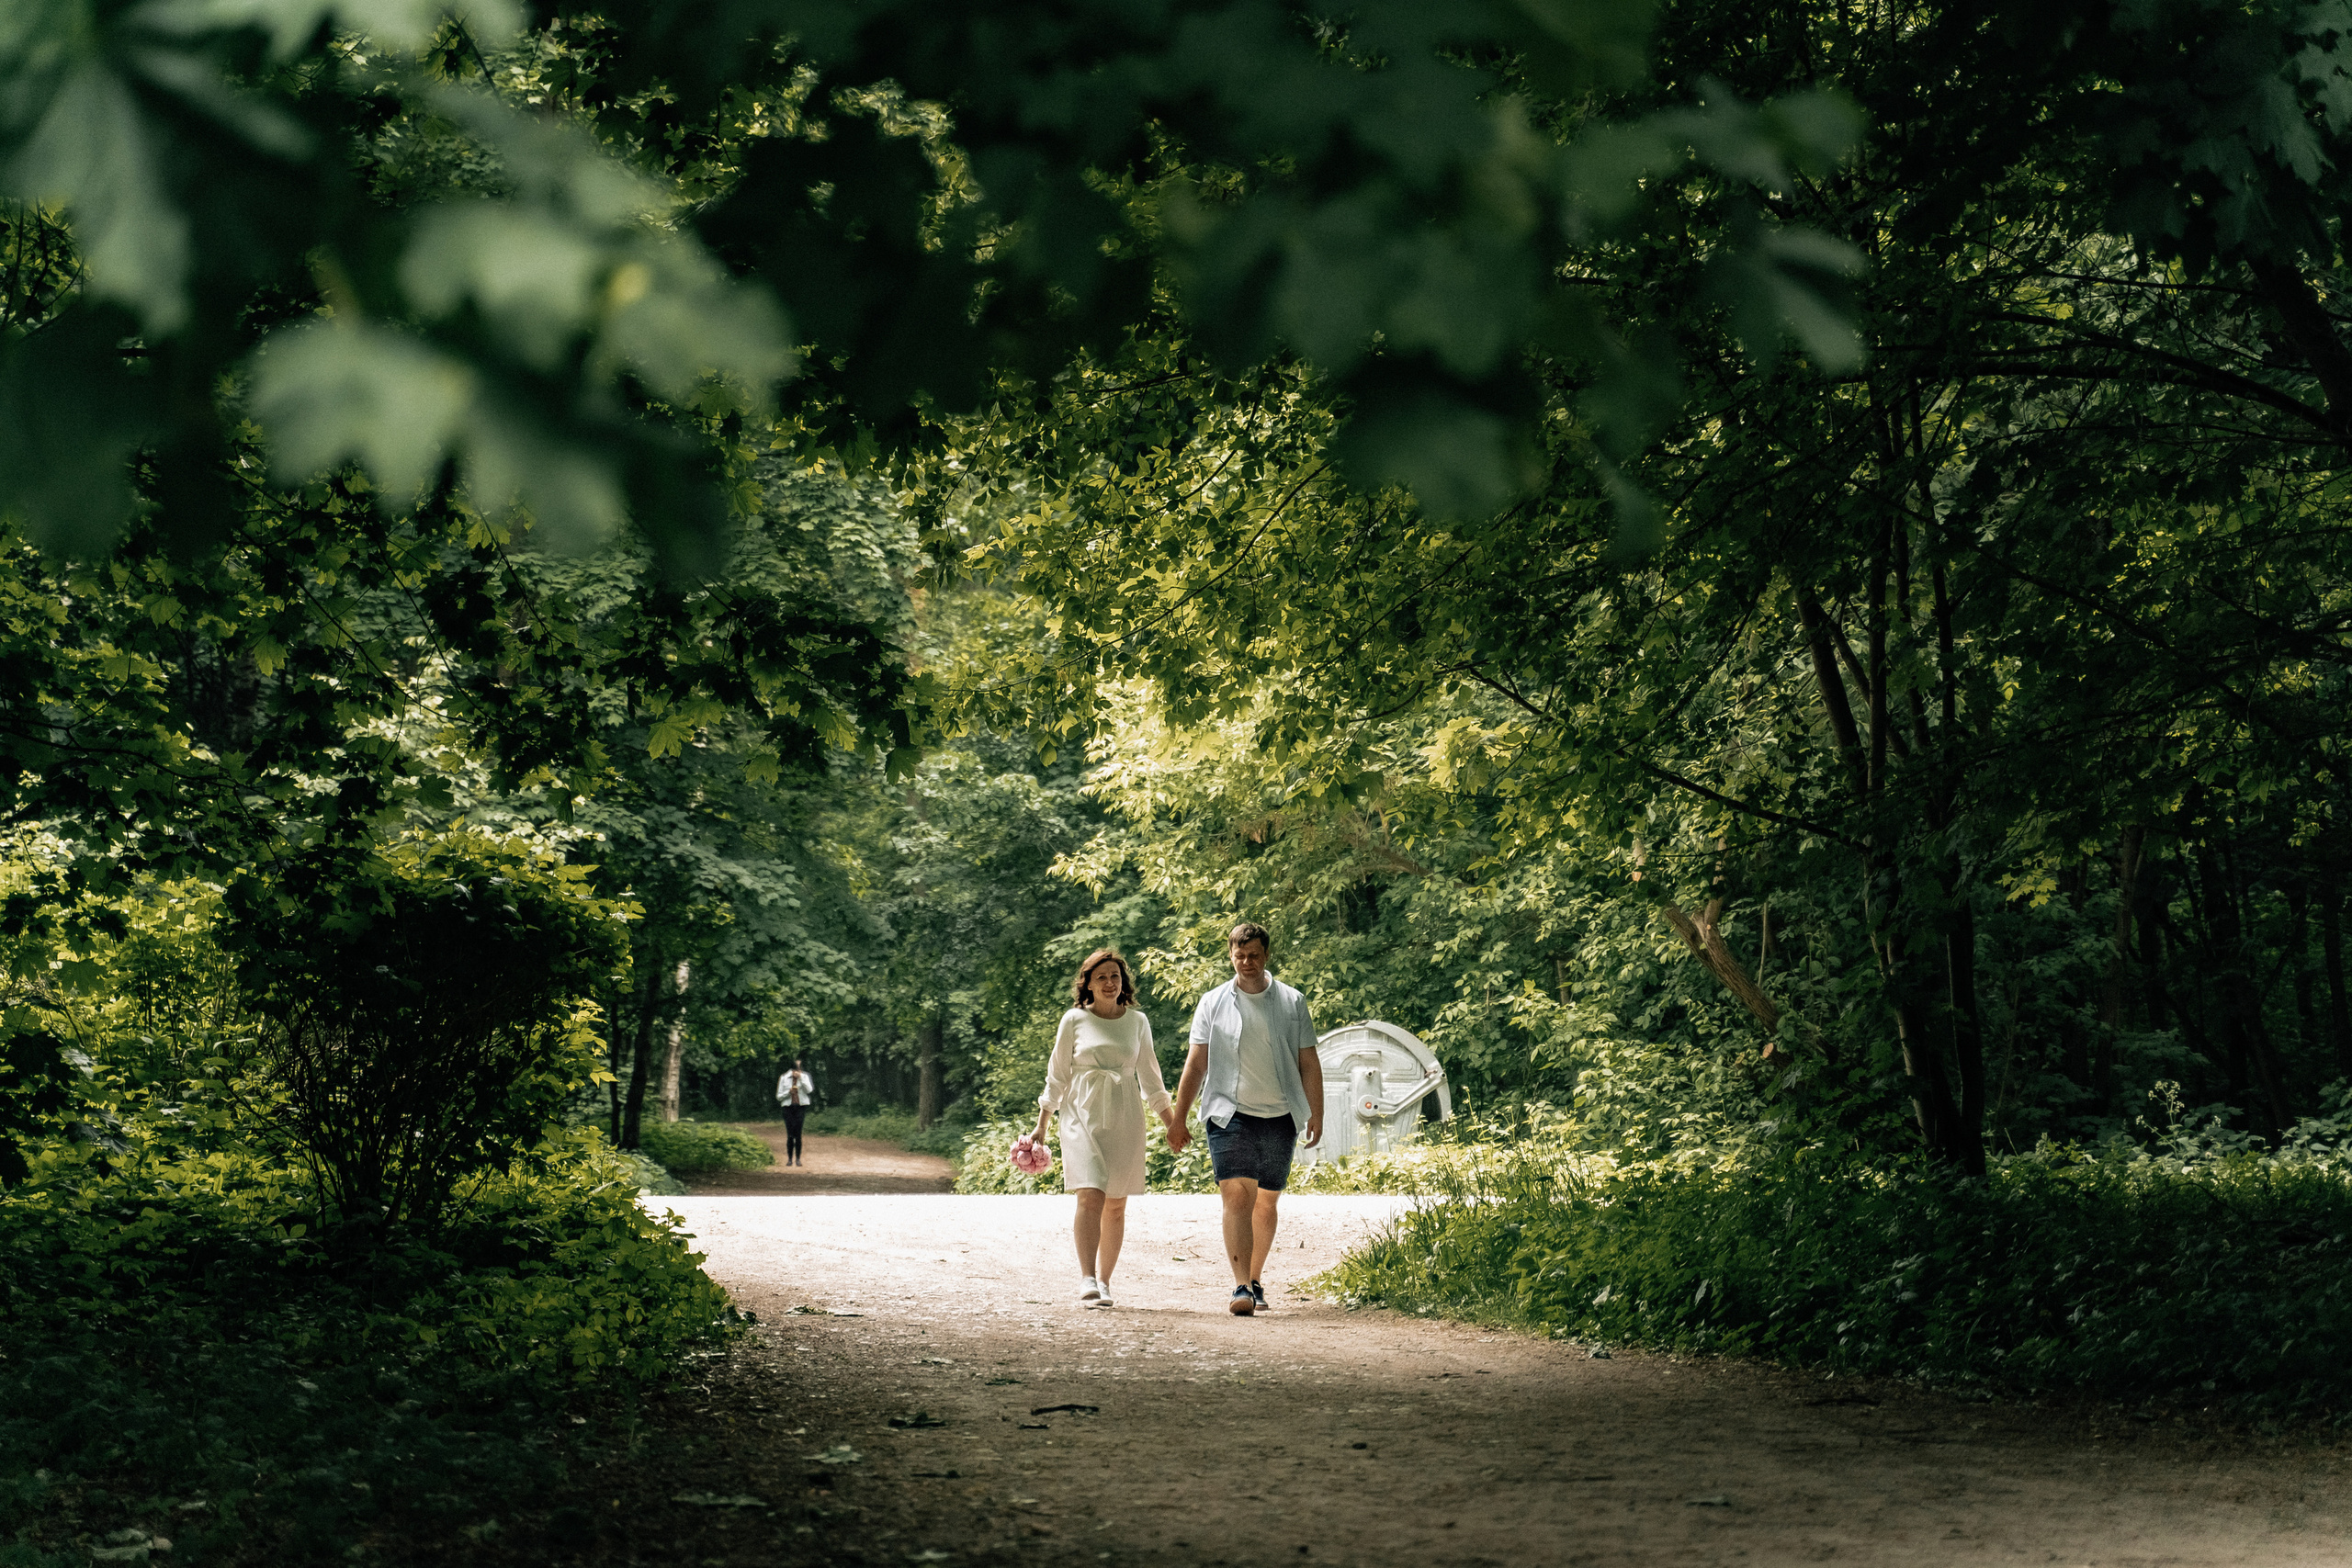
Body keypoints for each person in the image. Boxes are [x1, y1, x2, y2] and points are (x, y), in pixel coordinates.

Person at [1170, 921, 1323, 1316]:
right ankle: (1240, 1286)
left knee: (1266, 1201)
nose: (1247, 962)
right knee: (1237, 1193)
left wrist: (1315, 1112)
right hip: (1228, 1111)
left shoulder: (1292, 1002)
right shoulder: (1212, 1002)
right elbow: (1196, 1062)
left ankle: (1255, 1277)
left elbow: (1309, 1061)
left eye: (1254, 955)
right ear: (1230, 956)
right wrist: (1179, 1117)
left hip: (1280, 1112)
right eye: (1239, 956)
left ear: (1267, 955)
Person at [1029, 948, 1179, 1307]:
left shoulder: (1138, 1022)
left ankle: (1106, 1281)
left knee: (1116, 1203)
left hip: (1125, 1115)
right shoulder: (1074, 1020)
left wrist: (1172, 1124)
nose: (1110, 983)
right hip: (1081, 1113)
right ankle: (1087, 1277)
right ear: (1089, 984)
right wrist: (1041, 1126)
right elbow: (1057, 1076)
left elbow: (1152, 1080)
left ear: (1122, 981)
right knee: (1090, 1193)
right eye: (1102, 977)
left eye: (1115, 976)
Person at [775, 1057, 816, 1166]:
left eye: (799, 1068)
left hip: (800, 1107)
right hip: (788, 1107)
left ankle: (798, 1159)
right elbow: (779, 1096)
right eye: (796, 1068)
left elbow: (809, 1090)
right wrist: (789, 1092)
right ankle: (789, 1159)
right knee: (790, 1134)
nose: (797, 1070)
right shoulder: (783, 1078)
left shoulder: (805, 1077)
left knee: (798, 1134)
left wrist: (801, 1078)